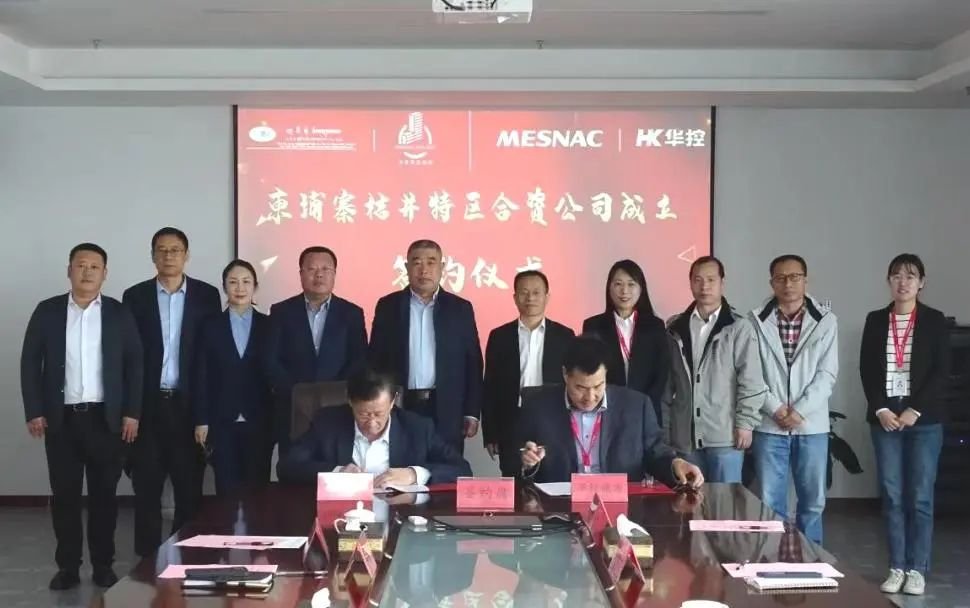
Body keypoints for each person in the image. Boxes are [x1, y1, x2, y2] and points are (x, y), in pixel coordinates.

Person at [20, 243, 143, 590]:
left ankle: (103, 565)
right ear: (69, 270)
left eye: (94, 266)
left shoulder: (118, 313)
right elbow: (30, 362)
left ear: (105, 273)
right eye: (81, 265)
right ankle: (68, 567)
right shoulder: (48, 311)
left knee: (105, 497)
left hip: (107, 419)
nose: (87, 272)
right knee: (65, 497)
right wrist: (34, 410)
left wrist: (132, 413)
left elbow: (135, 364)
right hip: (61, 420)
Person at [123, 227, 221, 558]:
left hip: (188, 406)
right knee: (146, 487)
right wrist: (130, 410)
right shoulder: (135, 296)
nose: (168, 256)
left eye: (175, 250)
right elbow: (129, 356)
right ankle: (147, 562)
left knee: (189, 487)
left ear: (186, 255)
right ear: (152, 256)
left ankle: (185, 555)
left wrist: (205, 412)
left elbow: (209, 355)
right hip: (148, 406)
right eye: (162, 250)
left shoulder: (206, 296)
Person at [860, 254, 949, 596]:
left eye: (910, 276)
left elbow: (941, 371)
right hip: (886, 418)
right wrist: (881, 408)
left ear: (921, 282)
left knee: (920, 497)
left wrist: (916, 409)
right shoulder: (875, 319)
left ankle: (917, 569)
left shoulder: (934, 320)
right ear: (888, 281)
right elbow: (867, 368)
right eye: (896, 275)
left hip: (923, 420)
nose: (903, 282)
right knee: (893, 496)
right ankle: (896, 566)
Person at [518, 335, 704, 488]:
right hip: (561, 506)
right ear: (565, 374)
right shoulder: (538, 406)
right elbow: (517, 458)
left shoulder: (636, 406)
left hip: (619, 505)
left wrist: (676, 464)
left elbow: (657, 454)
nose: (590, 397)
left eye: (598, 386)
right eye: (580, 388)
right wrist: (527, 461)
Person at [749, 254, 838, 545]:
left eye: (795, 277)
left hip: (811, 426)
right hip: (769, 425)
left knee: (812, 503)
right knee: (770, 503)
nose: (788, 283)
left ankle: (812, 561)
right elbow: (751, 374)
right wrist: (775, 408)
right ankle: (771, 562)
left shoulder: (826, 321)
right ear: (771, 283)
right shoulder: (755, 321)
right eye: (781, 278)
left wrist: (799, 411)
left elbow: (827, 374)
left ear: (805, 280)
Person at [369, 239, 484, 453]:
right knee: (401, 465)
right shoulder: (388, 306)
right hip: (400, 405)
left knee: (446, 466)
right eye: (417, 262)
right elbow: (375, 359)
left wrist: (471, 411)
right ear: (406, 267)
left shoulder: (460, 308)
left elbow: (473, 363)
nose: (424, 270)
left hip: (447, 408)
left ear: (442, 267)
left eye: (431, 262)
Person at [663, 256, 766, 482]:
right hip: (685, 438)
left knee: (725, 500)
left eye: (711, 279)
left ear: (722, 282)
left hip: (725, 436)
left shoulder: (738, 327)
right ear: (690, 283)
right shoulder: (674, 327)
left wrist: (745, 424)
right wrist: (667, 431)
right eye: (698, 280)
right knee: (689, 499)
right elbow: (668, 385)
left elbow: (751, 381)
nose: (704, 286)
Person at [277, 368, 472, 485]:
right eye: (363, 414)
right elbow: (287, 466)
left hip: (401, 518)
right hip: (342, 516)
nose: (371, 423)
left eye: (378, 414)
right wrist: (336, 472)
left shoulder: (418, 428)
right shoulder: (328, 422)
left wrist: (414, 474)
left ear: (393, 402)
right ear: (350, 402)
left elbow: (462, 469)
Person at [266, 246, 367, 455]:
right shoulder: (281, 311)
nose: (319, 275)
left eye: (325, 269)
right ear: (301, 273)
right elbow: (271, 359)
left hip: (338, 407)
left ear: (334, 274)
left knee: (335, 465)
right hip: (293, 407)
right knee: (294, 465)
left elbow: (358, 359)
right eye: (311, 269)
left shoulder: (351, 313)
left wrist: (336, 391)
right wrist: (296, 392)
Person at [482, 270, 575, 476]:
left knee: (554, 477)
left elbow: (572, 382)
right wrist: (490, 434)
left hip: (553, 420)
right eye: (524, 292)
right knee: (514, 478)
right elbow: (490, 387)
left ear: (547, 297)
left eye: (536, 292)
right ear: (515, 298)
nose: (530, 298)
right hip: (512, 419)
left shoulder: (565, 336)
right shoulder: (499, 336)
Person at [193, 260, 273, 495]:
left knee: (258, 490)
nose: (240, 288)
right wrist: (201, 420)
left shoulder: (269, 325)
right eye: (233, 282)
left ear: (255, 287)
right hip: (221, 420)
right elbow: (201, 374)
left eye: (246, 282)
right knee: (226, 489)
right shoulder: (209, 326)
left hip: (260, 420)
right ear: (224, 287)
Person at [582, 260, 669, 423]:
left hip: (645, 411)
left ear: (641, 289)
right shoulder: (593, 326)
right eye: (618, 284)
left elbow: (662, 372)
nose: (624, 291)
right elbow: (589, 372)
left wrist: (643, 404)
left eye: (631, 284)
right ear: (609, 288)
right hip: (606, 411)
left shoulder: (655, 326)